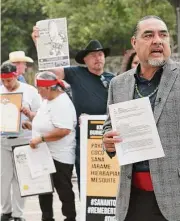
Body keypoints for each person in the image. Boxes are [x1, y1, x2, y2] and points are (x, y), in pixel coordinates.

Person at [102, 15, 180, 221]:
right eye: (148, 35)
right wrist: (108, 142)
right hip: (133, 197)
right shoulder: (118, 84)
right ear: (134, 43)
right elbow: (109, 127)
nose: (157, 40)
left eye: (163, 35)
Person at [32, 27, 115, 190]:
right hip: (84, 138)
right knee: (85, 181)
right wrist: (39, 43)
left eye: (100, 54)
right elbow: (51, 71)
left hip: (108, 136)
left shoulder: (114, 79)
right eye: (93, 55)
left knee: (108, 181)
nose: (97, 58)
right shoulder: (76, 73)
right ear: (85, 60)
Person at [22, 71, 77, 221]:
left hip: (60, 155)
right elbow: (44, 119)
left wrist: (40, 138)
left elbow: (63, 130)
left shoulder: (62, 103)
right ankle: (47, 218)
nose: (38, 92)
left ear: (48, 88)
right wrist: (31, 121)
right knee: (43, 189)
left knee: (63, 189)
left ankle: (70, 217)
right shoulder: (47, 100)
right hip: (44, 154)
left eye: (39, 88)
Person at [1, 63, 41, 221]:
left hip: (23, 139)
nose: (6, 84)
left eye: (9, 80)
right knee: (3, 178)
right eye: (3, 81)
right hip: (3, 140)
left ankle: (18, 214)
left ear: (16, 75)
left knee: (20, 178)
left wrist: (29, 114)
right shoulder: (0, 91)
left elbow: (40, 114)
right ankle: (6, 211)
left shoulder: (30, 91)